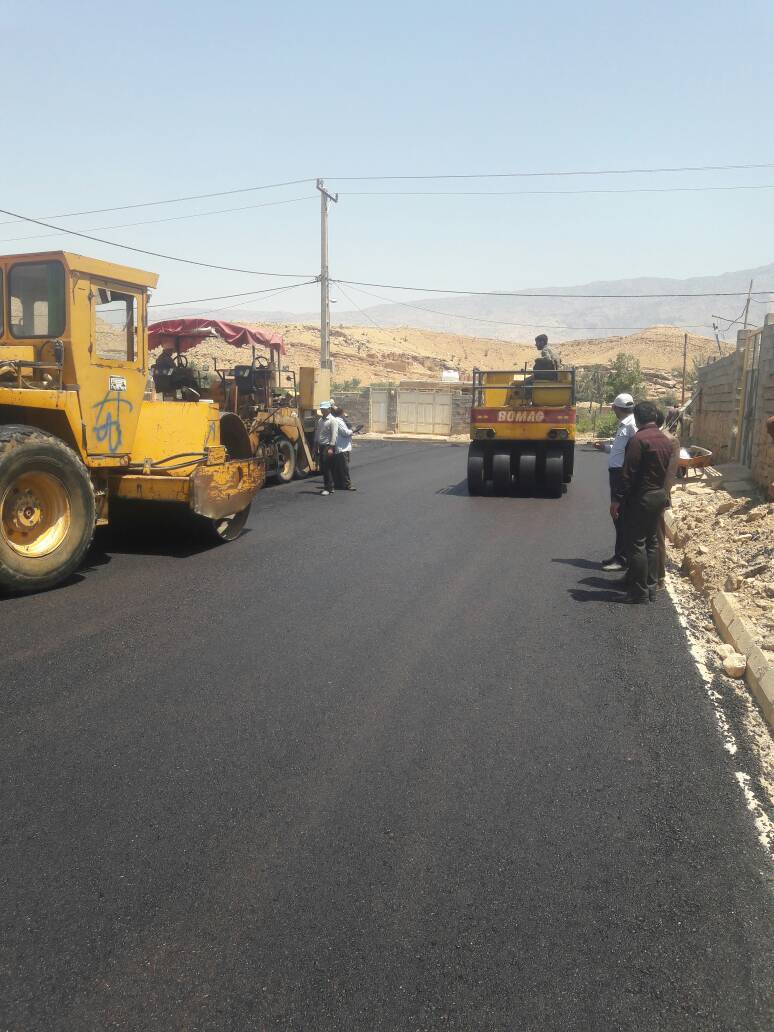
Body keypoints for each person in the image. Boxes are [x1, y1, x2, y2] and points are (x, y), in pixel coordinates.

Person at [618, 401, 675, 604]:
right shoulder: (666, 441)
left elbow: (628, 474)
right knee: (652, 543)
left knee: (637, 545)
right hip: (659, 496)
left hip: (641, 497)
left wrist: (618, 500)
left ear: (638, 418)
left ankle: (638, 591)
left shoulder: (638, 440)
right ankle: (651, 588)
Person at [601, 393, 637, 572]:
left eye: (613, 407)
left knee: (619, 515)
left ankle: (622, 559)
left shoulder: (632, 425)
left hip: (621, 475)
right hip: (617, 473)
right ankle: (619, 555)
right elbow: (620, 449)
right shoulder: (625, 424)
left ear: (616, 408)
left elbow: (635, 450)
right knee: (617, 515)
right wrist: (605, 448)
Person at [655, 408, 681, 588]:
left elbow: (670, 473)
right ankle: (656, 577)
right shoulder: (672, 440)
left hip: (650, 496)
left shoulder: (669, 440)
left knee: (655, 536)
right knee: (656, 536)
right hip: (658, 495)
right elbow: (671, 474)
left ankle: (657, 576)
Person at [314, 400, 338, 495]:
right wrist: (315, 446)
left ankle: (327, 488)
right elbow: (317, 434)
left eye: (324, 409)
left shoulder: (333, 421)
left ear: (329, 409)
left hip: (328, 446)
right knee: (324, 468)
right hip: (321, 445)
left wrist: (331, 447)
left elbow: (334, 435)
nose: (322, 411)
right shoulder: (320, 420)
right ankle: (330, 487)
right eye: (321, 409)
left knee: (327, 467)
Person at [332, 405, 357, 491]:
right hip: (342, 447)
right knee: (344, 468)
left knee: (338, 467)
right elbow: (345, 433)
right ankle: (347, 485)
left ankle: (338, 484)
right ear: (342, 413)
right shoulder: (339, 421)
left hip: (340, 447)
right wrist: (353, 431)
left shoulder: (336, 420)